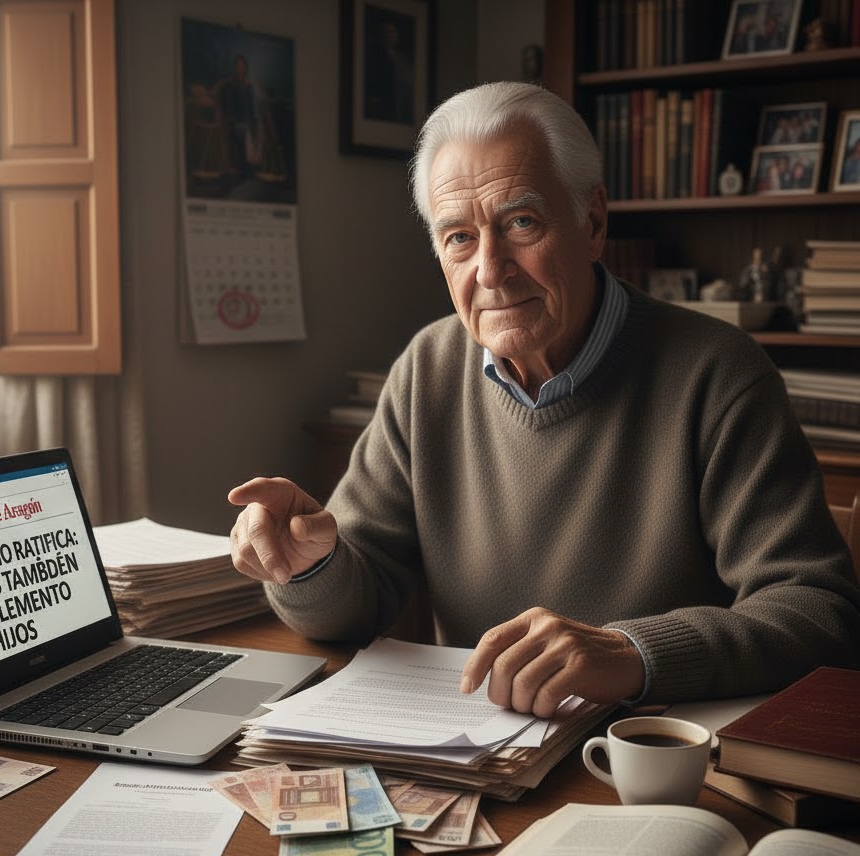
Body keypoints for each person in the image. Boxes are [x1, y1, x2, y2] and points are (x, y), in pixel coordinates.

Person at [228, 82, 860, 718]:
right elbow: (356, 601)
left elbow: (818, 610)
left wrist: (634, 654)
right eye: (459, 238)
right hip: (477, 749)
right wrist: (309, 566)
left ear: (593, 223)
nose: (491, 270)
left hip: (648, 750)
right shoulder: (427, 369)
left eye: (520, 223)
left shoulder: (719, 373)